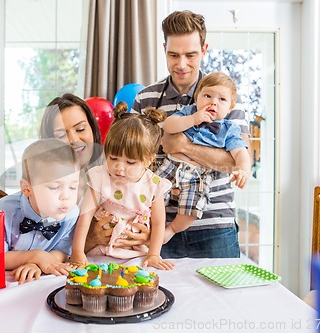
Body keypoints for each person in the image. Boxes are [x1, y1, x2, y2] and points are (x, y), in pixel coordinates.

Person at [131, 10, 251, 258]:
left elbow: (235, 161)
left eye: (191, 55)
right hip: (157, 226)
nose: (181, 64)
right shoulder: (146, 99)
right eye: (173, 54)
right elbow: (133, 159)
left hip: (215, 228)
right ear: (164, 48)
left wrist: (180, 145)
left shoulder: (227, 101)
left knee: (222, 298)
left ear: (204, 49)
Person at [39, 93, 150, 254]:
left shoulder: (119, 171)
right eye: (61, 135)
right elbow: (41, 245)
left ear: (92, 128)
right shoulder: (45, 188)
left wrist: (145, 235)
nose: (74, 139)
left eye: (80, 129)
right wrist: (89, 240)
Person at [69, 102, 174, 270]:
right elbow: (85, 217)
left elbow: (159, 223)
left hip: (137, 254)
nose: (119, 167)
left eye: (130, 162)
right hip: (101, 253)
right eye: (113, 158)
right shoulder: (100, 177)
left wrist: (154, 254)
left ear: (149, 159)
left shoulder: (154, 185)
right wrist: (77, 251)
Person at [157, 72, 251, 243]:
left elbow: (240, 152)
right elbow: (168, 126)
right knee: (151, 192)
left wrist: (243, 169)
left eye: (222, 99)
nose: (213, 102)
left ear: (230, 107)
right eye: (207, 95)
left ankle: (171, 229)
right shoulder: (189, 112)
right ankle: (151, 225)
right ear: (197, 98)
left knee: (192, 209)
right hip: (171, 165)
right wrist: (193, 119)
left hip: (199, 176)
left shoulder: (229, 129)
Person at [0, 138, 80, 284]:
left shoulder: (71, 214)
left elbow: (63, 251)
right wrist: (34, 256)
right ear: (27, 188)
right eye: (54, 187)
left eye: (73, 187)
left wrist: (37, 263)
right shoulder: (1, 213)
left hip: (41, 283)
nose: (66, 196)